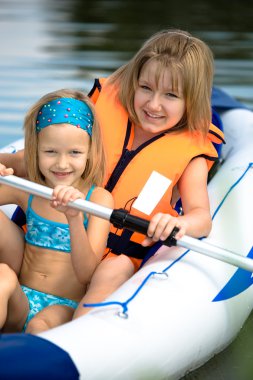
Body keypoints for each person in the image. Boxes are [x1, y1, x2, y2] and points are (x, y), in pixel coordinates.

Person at [0, 29, 224, 320]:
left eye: (170, 95)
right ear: (133, 82)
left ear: (191, 100)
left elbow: (200, 217)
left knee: (114, 269)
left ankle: (80, 331)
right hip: (51, 234)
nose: (153, 104)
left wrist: (178, 222)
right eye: (146, 88)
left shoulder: (190, 151)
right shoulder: (97, 114)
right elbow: (27, 161)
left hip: (115, 251)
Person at [0, 89, 113, 333]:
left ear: (90, 152)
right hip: (20, 296)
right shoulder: (30, 190)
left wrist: (74, 218)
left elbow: (86, 275)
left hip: (62, 306)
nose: (62, 164)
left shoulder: (99, 200)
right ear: (36, 150)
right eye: (50, 152)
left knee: (40, 324)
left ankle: (28, 362)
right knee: (1, 276)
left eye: (74, 152)